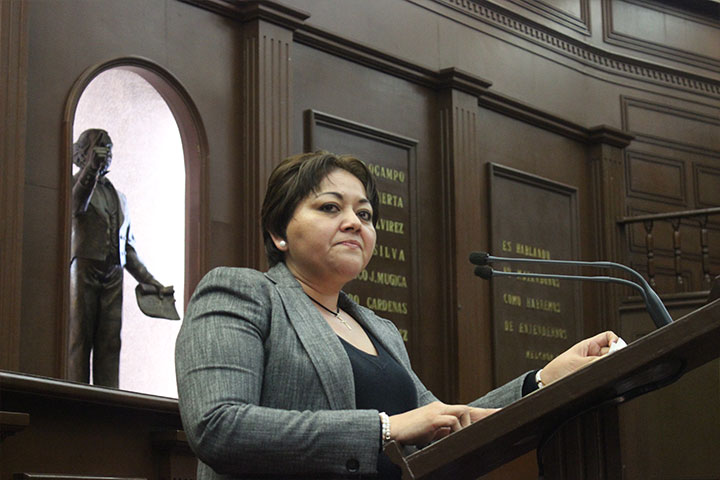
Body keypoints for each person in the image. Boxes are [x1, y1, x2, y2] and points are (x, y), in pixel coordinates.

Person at [175, 151, 619, 479]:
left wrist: (544, 380)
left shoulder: (379, 330)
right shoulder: (243, 293)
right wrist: (383, 429)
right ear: (278, 232)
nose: (355, 222)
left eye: (365, 213)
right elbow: (217, 426)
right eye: (330, 207)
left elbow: (446, 426)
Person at [69, 128, 165, 387]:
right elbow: (75, 206)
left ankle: (108, 399)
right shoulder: (75, 184)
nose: (107, 153)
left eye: (109, 148)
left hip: (114, 273)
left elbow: (128, 249)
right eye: (100, 147)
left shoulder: (120, 198)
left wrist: (150, 281)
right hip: (84, 269)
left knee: (111, 342)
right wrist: (91, 169)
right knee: (80, 338)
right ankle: (74, 397)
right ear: (83, 154)